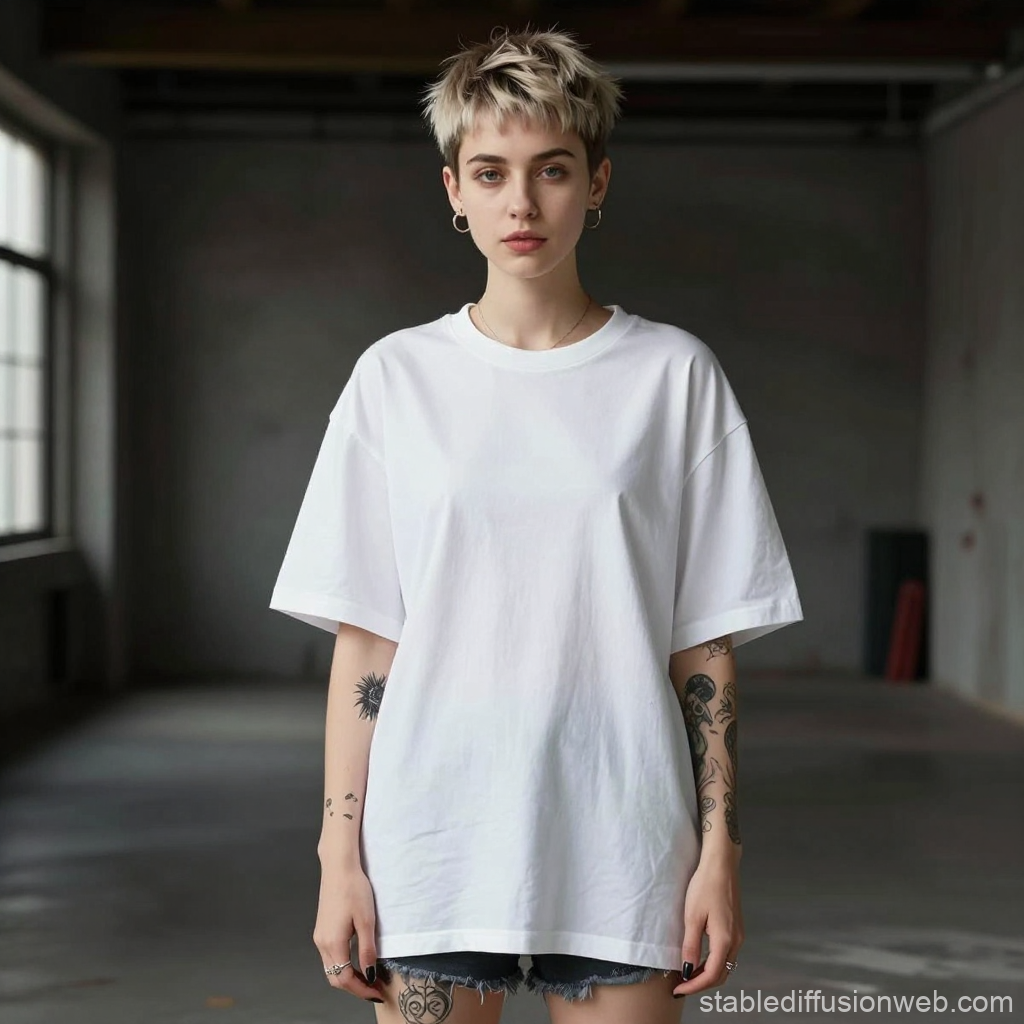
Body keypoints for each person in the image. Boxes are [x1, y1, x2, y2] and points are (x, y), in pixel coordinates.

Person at [270, 25, 803, 1024]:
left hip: (623, 843)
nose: (521, 203)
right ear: (454, 191)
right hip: (432, 845)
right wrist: (339, 857)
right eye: (491, 172)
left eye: (552, 170)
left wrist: (719, 853)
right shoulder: (395, 379)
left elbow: (704, 647)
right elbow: (367, 640)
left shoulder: (673, 376)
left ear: (596, 183)